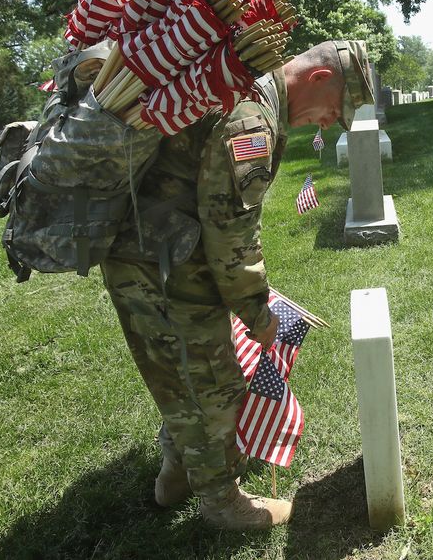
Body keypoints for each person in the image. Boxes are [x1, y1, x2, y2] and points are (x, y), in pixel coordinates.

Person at [100, 40, 374, 530]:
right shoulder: (251, 116)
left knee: (178, 372)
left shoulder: (245, 86)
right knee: (214, 384)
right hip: (165, 264)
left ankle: (178, 473)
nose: (330, 121)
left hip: (149, 253)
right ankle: (222, 504)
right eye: (336, 107)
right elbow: (230, 229)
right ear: (317, 77)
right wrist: (257, 312)